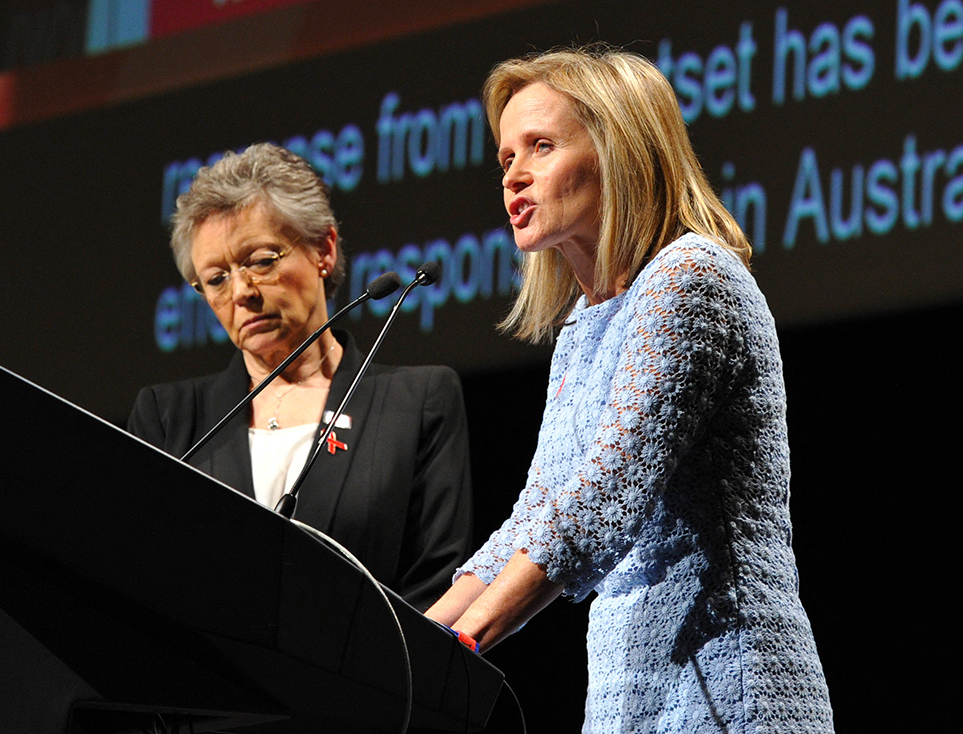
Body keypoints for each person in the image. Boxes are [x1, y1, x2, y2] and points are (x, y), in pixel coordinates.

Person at [425, 47, 835, 732]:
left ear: (617, 148)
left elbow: (602, 496)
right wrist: (407, 636)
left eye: (541, 147)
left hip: (731, 682)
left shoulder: (691, 278)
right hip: (629, 688)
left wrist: (461, 644)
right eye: (505, 159)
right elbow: (540, 511)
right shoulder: (584, 324)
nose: (514, 177)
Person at [128, 143, 473, 612]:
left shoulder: (417, 402)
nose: (242, 292)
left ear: (323, 250)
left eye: (262, 260)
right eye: (216, 279)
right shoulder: (170, 420)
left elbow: (435, 584)